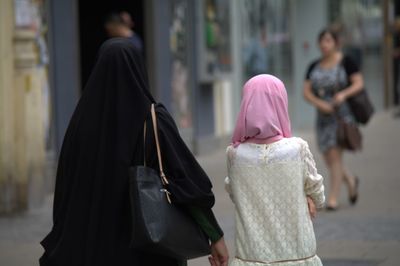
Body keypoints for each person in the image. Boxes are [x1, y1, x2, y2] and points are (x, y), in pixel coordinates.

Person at [39, 38, 229, 266]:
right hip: (146, 252)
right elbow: (185, 182)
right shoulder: (152, 120)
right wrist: (215, 235)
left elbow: (64, 193)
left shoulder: (80, 124)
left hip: (90, 251)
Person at [224, 74, 325, 266]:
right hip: (297, 253)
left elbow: (235, 193)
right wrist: (309, 197)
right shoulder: (297, 149)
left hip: (251, 254)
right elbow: (317, 194)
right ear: (281, 103)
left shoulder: (234, 154)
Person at [303, 29, 364, 210]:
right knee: (329, 158)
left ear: (336, 43)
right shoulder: (314, 65)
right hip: (322, 118)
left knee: (335, 157)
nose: (324, 44)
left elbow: (359, 83)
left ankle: (333, 198)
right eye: (322, 41)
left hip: (341, 117)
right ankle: (351, 181)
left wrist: (343, 95)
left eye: (328, 40)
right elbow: (306, 91)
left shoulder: (346, 62)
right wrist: (319, 103)